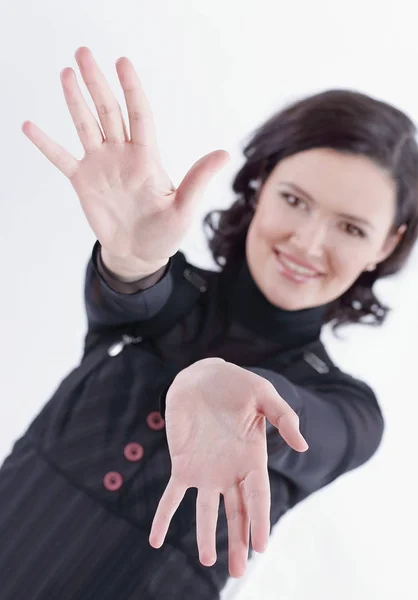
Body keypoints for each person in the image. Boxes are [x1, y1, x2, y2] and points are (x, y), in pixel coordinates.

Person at [0, 45, 417, 600]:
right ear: (262, 181)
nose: (308, 243)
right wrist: (133, 258)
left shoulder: (347, 408)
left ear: (387, 245)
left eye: (351, 228)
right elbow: (137, 293)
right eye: (296, 199)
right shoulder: (173, 294)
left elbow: (308, 427)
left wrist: (239, 390)